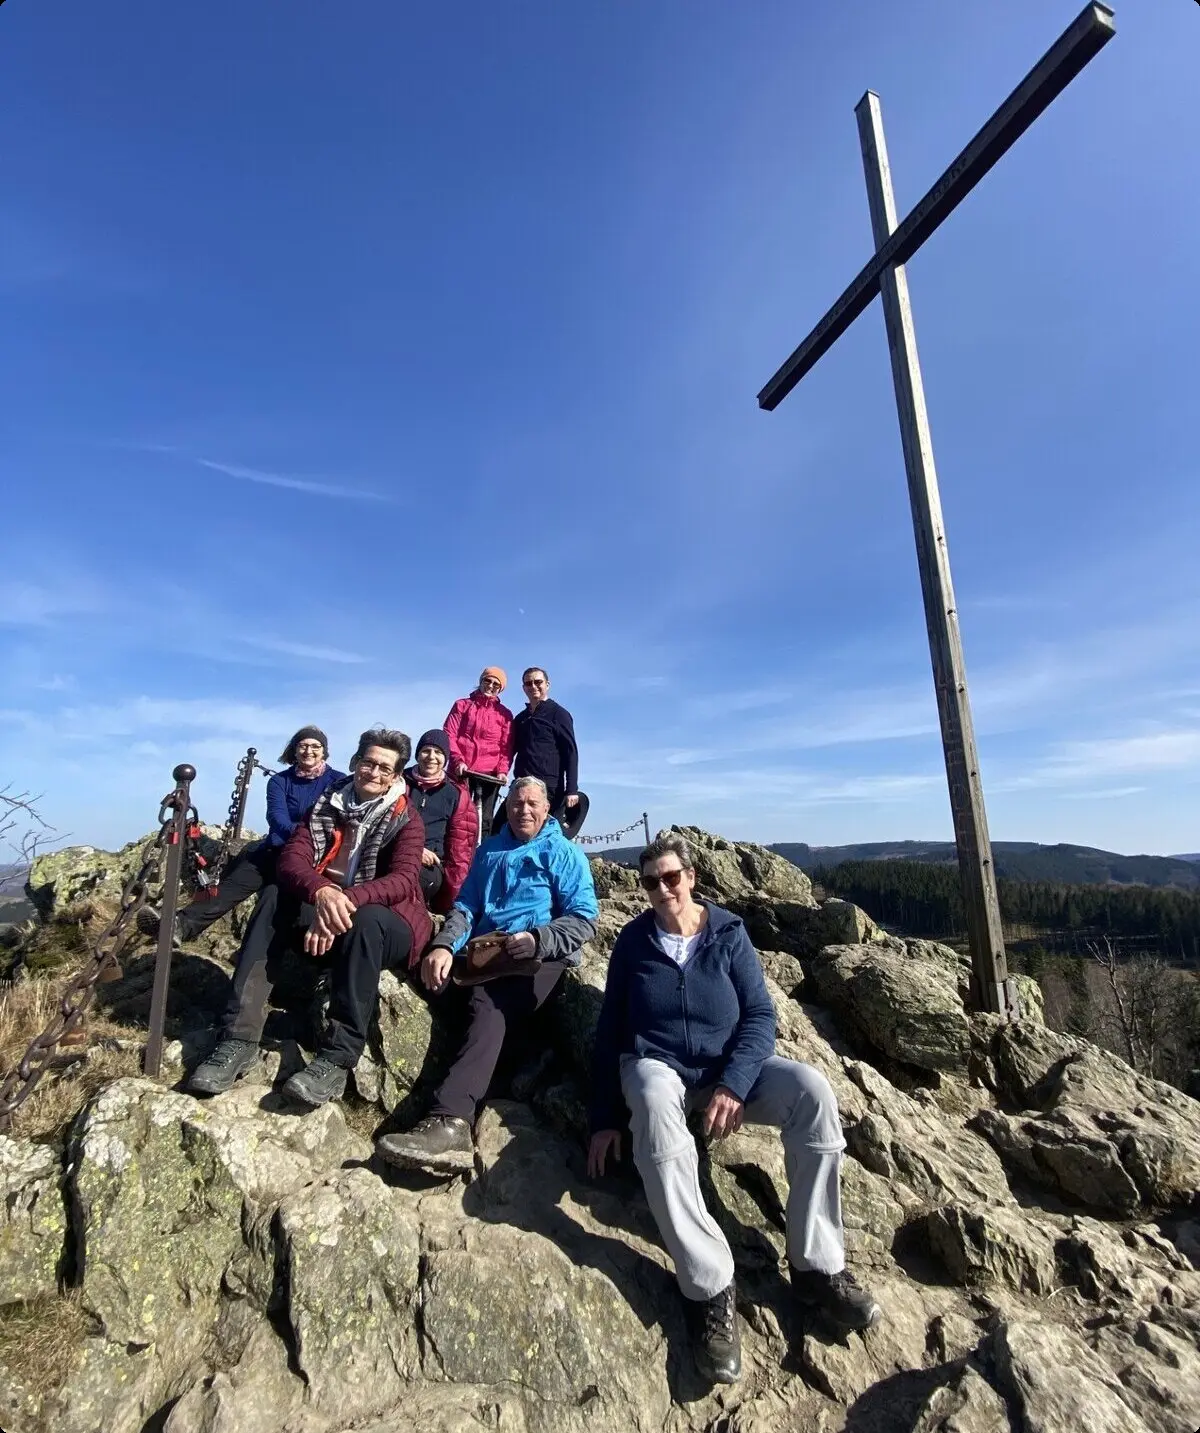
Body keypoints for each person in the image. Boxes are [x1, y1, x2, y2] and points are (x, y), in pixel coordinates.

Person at [587, 832, 882, 1386]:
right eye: (651, 882)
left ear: (692, 877)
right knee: (651, 1101)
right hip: (661, 1068)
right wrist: (603, 1118)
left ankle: (818, 1267)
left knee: (813, 1091)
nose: (662, 889)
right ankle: (708, 1287)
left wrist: (734, 1084)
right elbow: (610, 1034)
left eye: (672, 877)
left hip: (729, 1073)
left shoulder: (728, 933)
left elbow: (760, 1018)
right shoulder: (632, 943)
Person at [186, 728, 430, 1108]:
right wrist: (322, 893)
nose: (374, 773)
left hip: (388, 922)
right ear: (355, 763)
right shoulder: (325, 805)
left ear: (397, 776)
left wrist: (341, 902)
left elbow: (400, 881)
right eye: (369, 763)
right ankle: (238, 1036)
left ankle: (337, 1057)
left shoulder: (407, 820)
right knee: (273, 895)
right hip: (328, 905)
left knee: (365, 921)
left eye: (385, 768)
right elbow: (291, 860)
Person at [376, 775, 598, 1173]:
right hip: (486, 953)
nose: (523, 810)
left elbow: (584, 920)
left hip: (538, 957)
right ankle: (516, 1063)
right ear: (506, 807)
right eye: (516, 803)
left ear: (547, 808)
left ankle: (452, 1121)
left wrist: (539, 939)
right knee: (431, 975)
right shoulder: (488, 851)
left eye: (532, 803)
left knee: (488, 1001)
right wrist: (444, 946)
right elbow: (465, 907)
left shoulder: (564, 853)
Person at [138, 725, 344, 944]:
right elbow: (277, 818)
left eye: (315, 746)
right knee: (240, 879)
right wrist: (304, 834)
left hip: (316, 855)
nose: (308, 751)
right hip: (278, 849)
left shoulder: (338, 781)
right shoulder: (280, 782)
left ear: (324, 751)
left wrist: (309, 841)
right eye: (303, 745)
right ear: (294, 750)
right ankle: (181, 925)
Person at [510, 667, 588, 838]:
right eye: (528, 683)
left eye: (538, 682)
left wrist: (572, 789)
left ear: (547, 684)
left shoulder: (559, 714)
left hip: (549, 788)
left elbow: (571, 752)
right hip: (521, 785)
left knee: (544, 836)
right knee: (506, 831)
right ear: (523, 688)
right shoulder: (521, 718)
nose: (533, 686)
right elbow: (510, 750)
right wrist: (501, 772)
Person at [403, 729, 476, 912]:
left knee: (415, 882)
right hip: (396, 851)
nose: (431, 757)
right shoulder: (399, 781)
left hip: (430, 866)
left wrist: (448, 901)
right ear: (418, 754)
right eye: (426, 750)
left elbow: (460, 850)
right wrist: (414, 849)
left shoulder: (456, 794)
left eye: (438, 752)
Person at [444, 667, 515, 838]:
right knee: (456, 815)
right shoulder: (462, 705)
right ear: (481, 681)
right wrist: (457, 760)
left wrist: (502, 771)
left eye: (496, 684)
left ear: (501, 689)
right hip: (461, 772)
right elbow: (449, 734)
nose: (490, 686)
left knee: (484, 821)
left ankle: (480, 857)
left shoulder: (505, 714)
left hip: (488, 776)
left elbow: (506, 747)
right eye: (487, 680)